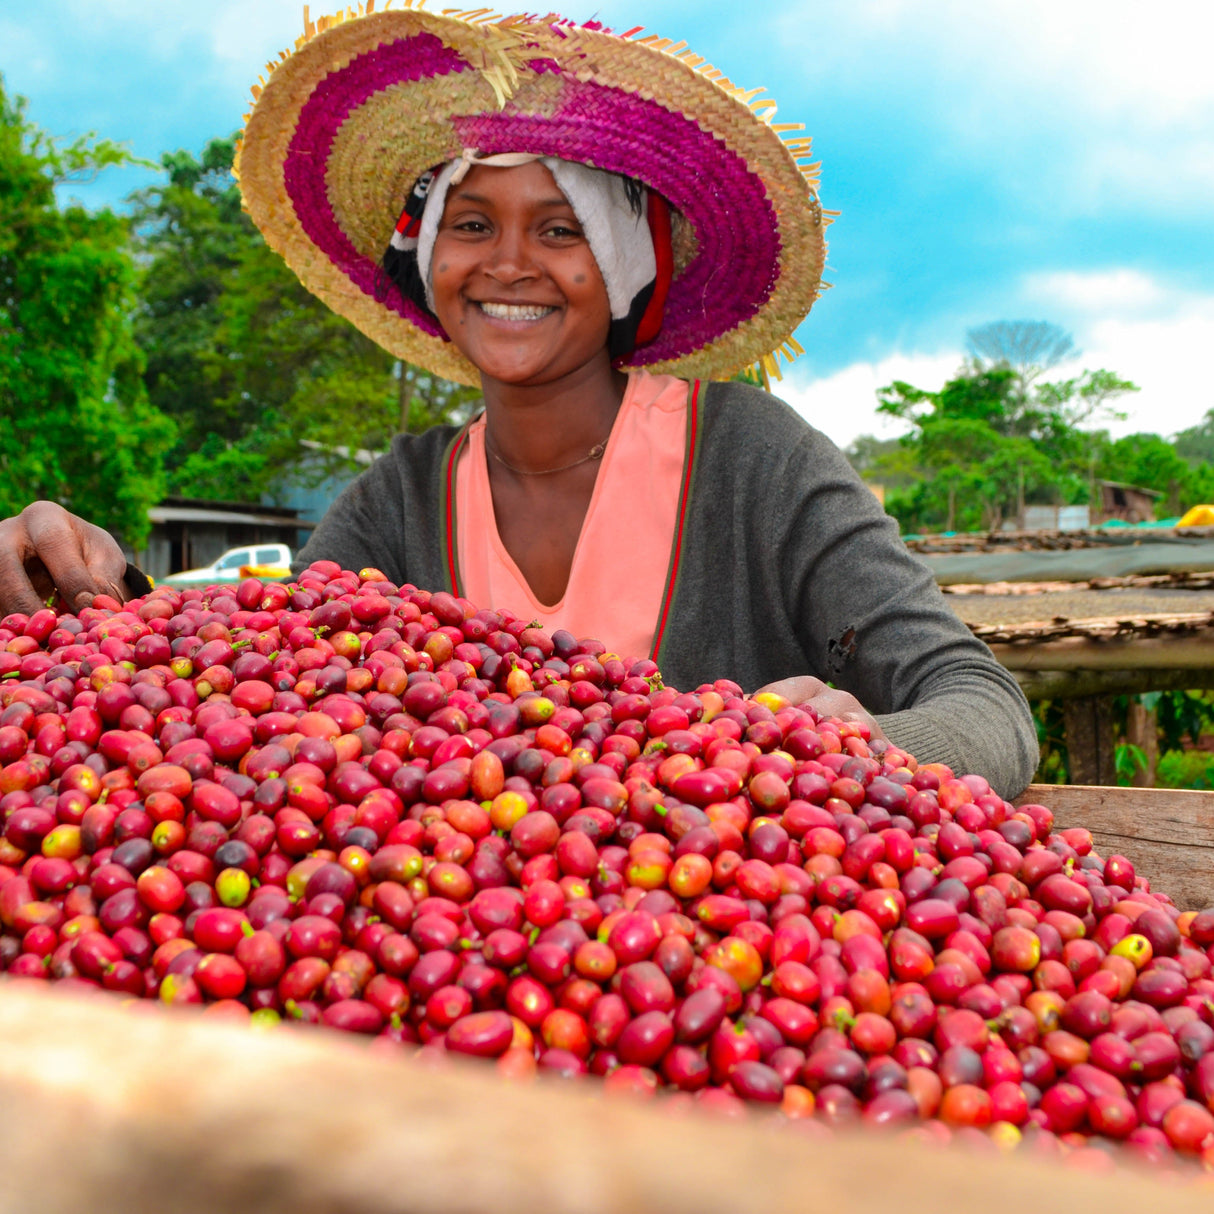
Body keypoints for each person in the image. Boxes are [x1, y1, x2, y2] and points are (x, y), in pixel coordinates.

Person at [0, 8, 1038, 797]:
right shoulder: (395, 505)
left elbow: (987, 708)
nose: (507, 264)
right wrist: (87, 589)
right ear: (428, 256)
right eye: (471, 223)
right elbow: (254, 695)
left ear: (627, 264)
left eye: (558, 228)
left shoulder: (752, 461)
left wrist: (833, 752)